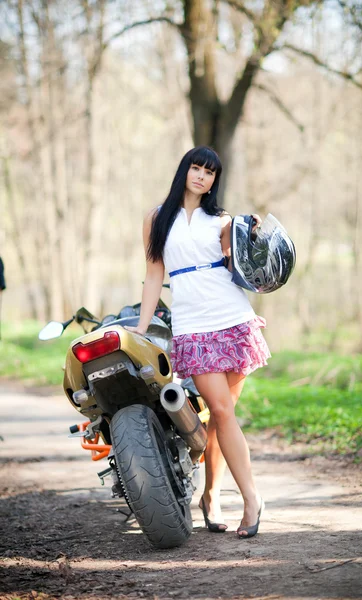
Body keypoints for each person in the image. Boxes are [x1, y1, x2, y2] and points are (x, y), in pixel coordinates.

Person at [128, 146, 271, 539]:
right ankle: (252, 499)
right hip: (193, 325)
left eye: (210, 173)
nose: (202, 177)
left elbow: (240, 264)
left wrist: (251, 233)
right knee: (221, 410)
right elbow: (154, 273)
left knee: (223, 416)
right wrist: (143, 325)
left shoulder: (222, 220)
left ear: (214, 181)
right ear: (185, 171)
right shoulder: (156, 219)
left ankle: (211, 496)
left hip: (232, 318)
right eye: (197, 168)